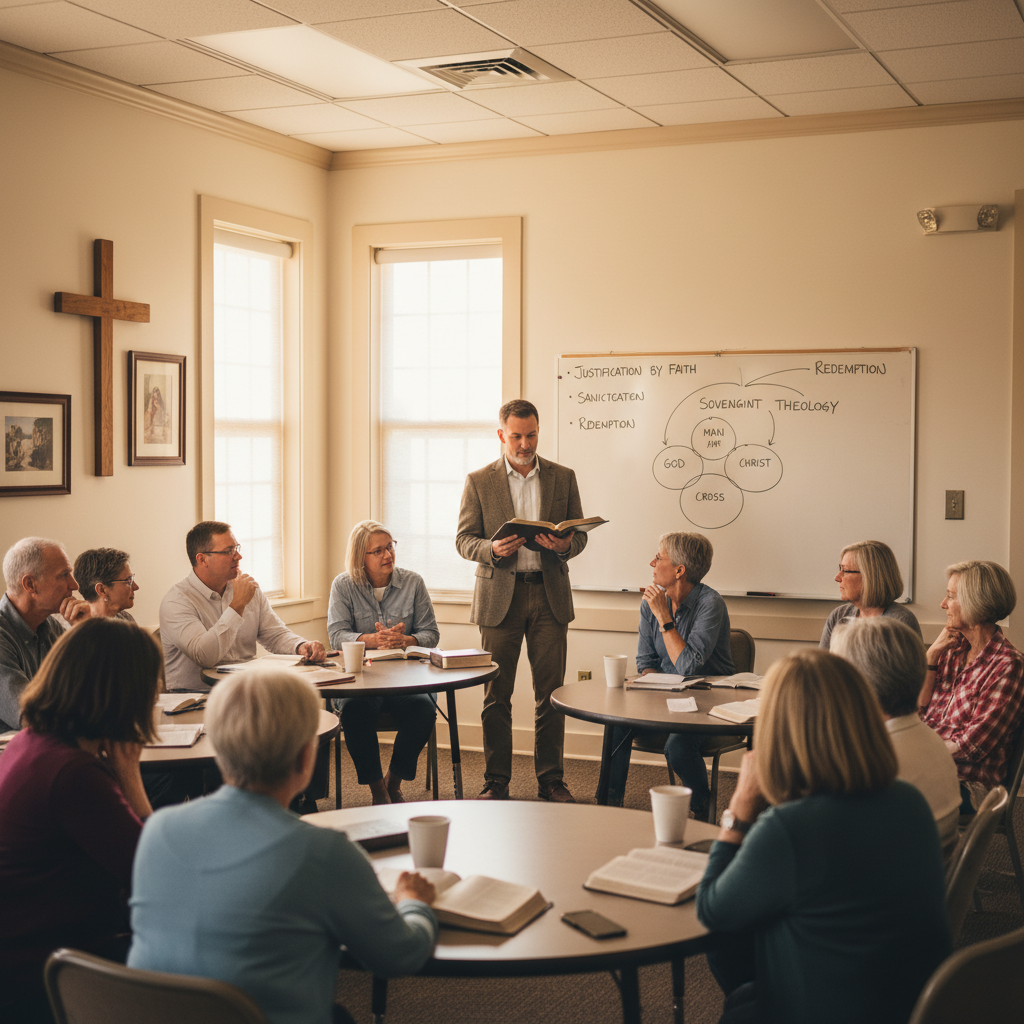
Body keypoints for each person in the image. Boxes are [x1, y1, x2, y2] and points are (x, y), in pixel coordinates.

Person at [128, 666, 438, 1024]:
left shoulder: (156, 830)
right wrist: (414, 903)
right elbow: (399, 956)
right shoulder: (323, 852)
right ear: (307, 757)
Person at [696, 649, 950, 1024]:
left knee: (734, 939)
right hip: (913, 1005)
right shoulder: (908, 800)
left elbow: (712, 908)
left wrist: (739, 809)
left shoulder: (788, 829)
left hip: (832, 1010)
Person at [0, 618, 159, 1024]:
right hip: (48, 972)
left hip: (28, 949)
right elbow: (155, 877)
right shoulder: (71, 774)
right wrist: (131, 778)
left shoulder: (32, 744)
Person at [456, 399, 589, 802]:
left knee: (551, 694)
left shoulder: (563, 478)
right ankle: (496, 780)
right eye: (516, 436)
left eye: (531, 435)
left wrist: (565, 544)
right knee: (496, 695)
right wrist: (492, 550)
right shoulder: (479, 481)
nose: (525, 443)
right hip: (500, 598)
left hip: (549, 596)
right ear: (502, 435)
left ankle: (551, 779)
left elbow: (579, 535)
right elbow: (464, 540)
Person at [606, 532, 735, 814]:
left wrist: (665, 618)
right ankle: (609, 804)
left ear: (679, 570)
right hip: (664, 696)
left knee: (678, 746)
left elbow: (688, 666)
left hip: (709, 701)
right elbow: (646, 660)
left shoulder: (711, 605)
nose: (652, 562)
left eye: (659, 558)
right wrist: (656, 692)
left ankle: (702, 804)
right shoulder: (649, 603)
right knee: (616, 724)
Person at [327, 520, 439, 804]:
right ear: (360, 558)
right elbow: (336, 636)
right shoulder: (343, 585)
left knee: (424, 709)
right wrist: (372, 640)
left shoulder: (413, 582)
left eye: (390, 547)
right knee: (354, 711)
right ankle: (377, 791)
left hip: (407, 680)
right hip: (362, 679)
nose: (387, 555)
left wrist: (408, 640)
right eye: (377, 551)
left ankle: (393, 783)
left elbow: (431, 633)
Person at [831, 616, 960, 860]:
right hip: (922, 882)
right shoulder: (931, 741)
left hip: (877, 887)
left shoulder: (872, 763)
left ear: (860, 684)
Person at [159, 520, 327, 692]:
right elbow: (205, 656)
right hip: (198, 698)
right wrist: (237, 605)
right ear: (202, 559)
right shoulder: (177, 602)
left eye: (236, 548)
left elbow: (274, 634)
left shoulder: (246, 587)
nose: (238, 556)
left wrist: (301, 646)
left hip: (246, 692)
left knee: (294, 702)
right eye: (228, 551)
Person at [919, 560, 1023, 811]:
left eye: (951, 597)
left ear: (976, 603)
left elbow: (973, 746)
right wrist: (930, 657)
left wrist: (916, 756)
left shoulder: (1008, 665)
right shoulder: (949, 651)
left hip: (971, 785)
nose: (943, 605)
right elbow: (915, 713)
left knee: (877, 797)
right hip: (929, 769)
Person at [0, 537, 92, 731]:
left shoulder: (50, 626)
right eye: (64, 575)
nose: (74, 585)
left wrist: (85, 633)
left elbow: (96, 691)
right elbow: (31, 716)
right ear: (31, 585)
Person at [819, 540, 920, 649]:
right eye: (840, 569)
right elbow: (822, 664)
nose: (837, 578)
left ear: (870, 577)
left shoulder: (900, 621)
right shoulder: (838, 616)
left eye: (845, 571)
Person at [73, 547, 140, 621]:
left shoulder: (126, 618)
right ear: (102, 590)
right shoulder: (77, 626)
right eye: (128, 581)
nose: (136, 587)